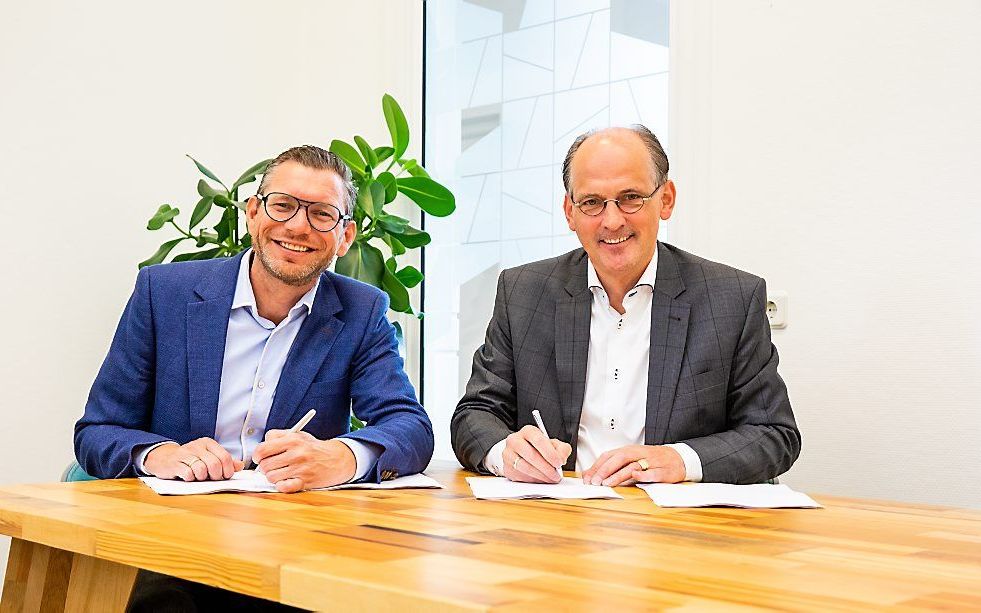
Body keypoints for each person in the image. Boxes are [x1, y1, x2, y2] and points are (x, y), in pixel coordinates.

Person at [451, 125, 800, 487]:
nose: (612, 220)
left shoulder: (732, 297)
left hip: (677, 527)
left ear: (666, 200)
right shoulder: (523, 292)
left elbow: (774, 434)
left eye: (631, 197)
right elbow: (475, 415)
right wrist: (506, 452)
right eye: (592, 202)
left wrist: (680, 460)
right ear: (570, 211)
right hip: (560, 522)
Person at [75, 145, 433, 490]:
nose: (297, 227)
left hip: (290, 526)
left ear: (345, 237)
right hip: (171, 519)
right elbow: (98, 431)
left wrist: (342, 456)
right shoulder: (163, 293)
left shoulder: (362, 309)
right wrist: (160, 455)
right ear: (252, 213)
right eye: (283, 205)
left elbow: (411, 427)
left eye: (322, 214)